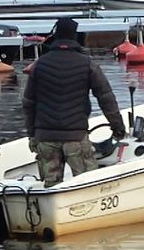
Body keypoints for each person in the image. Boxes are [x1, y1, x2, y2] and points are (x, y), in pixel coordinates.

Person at [23, 18, 127, 187]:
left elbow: (28, 103)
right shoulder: (87, 64)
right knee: (88, 185)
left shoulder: (40, 65)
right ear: (75, 36)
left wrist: (32, 135)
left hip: (45, 138)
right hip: (76, 137)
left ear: (56, 36)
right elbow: (106, 99)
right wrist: (118, 127)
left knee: (51, 187)